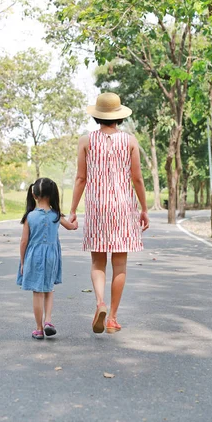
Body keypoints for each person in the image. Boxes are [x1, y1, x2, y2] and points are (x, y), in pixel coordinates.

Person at [69, 92, 149, 334]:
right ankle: (112, 317)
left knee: (97, 261)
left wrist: (72, 210)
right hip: (123, 206)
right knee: (120, 265)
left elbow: (81, 178)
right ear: (118, 117)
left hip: (96, 206)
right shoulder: (131, 141)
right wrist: (144, 209)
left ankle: (100, 303)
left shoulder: (85, 141)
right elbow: (136, 178)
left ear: (97, 116)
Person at [17, 177, 77, 340]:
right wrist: (73, 217)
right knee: (49, 289)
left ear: (34, 195)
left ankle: (38, 328)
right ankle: (48, 321)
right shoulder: (56, 215)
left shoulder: (29, 216)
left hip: (33, 257)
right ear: (53, 195)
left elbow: (24, 242)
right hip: (51, 257)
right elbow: (72, 226)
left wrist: (23, 263)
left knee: (37, 292)